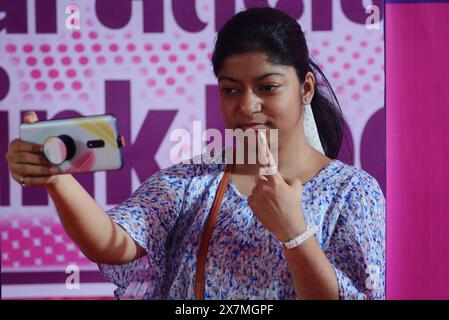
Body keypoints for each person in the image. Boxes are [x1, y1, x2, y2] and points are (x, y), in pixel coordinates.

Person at [5, 7, 385, 300]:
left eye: (267, 87)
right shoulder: (191, 182)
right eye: (231, 90)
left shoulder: (352, 192)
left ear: (305, 88)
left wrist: (294, 233)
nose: (248, 105)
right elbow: (113, 243)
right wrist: (56, 178)